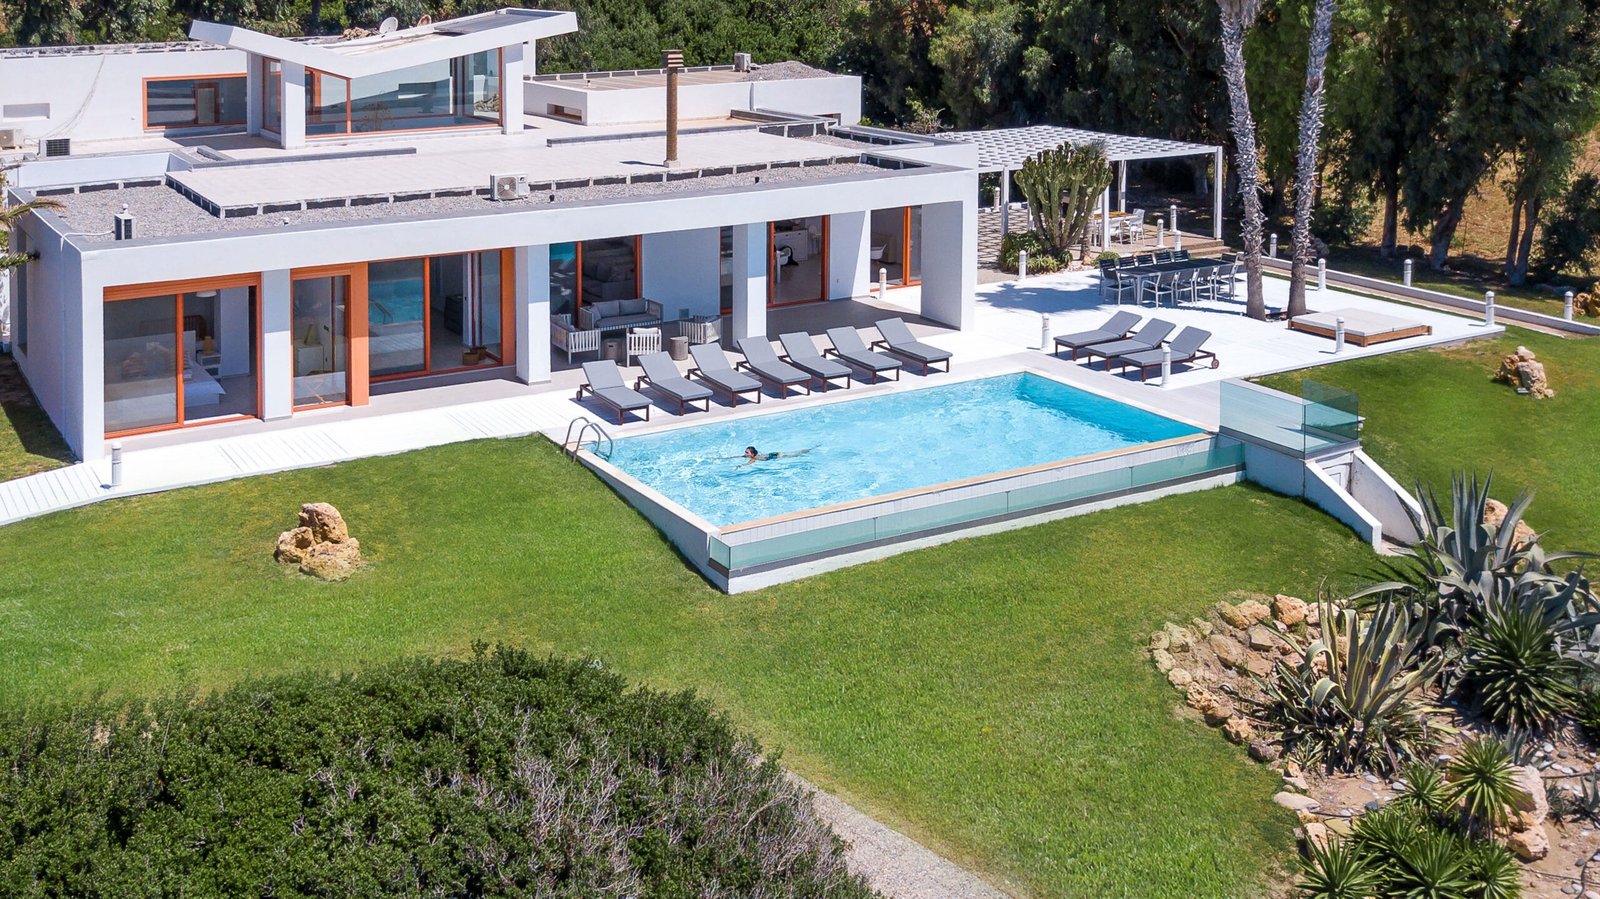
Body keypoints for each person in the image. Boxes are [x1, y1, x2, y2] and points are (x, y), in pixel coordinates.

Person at [741, 445, 815, 464]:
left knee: (796, 454)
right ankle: (808, 450)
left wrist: (742, 465)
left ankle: (809, 450)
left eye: (747, 452)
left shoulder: (755, 458)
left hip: (777, 455)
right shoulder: (754, 456)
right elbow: (744, 457)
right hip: (773, 454)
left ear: (752, 454)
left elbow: (750, 462)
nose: (745, 453)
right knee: (794, 453)